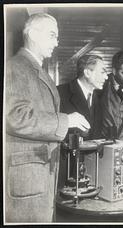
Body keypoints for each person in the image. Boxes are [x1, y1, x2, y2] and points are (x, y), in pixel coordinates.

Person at [5, 13, 90, 222]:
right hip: (26, 181)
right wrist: (65, 121)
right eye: (52, 35)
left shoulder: (33, 68)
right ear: (33, 34)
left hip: (38, 178)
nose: (57, 42)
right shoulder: (15, 67)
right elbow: (14, 117)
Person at [57, 54, 108, 188]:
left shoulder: (99, 98)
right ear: (87, 73)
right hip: (64, 173)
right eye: (102, 72)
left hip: (88, 171)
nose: (106, 77)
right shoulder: (60, 93)